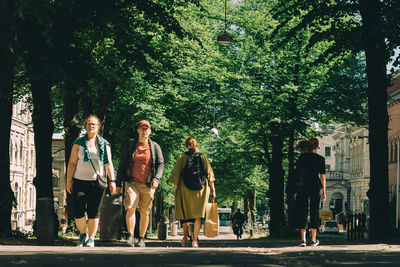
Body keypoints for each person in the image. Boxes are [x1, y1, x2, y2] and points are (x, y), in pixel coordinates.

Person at [66, 114, 116, 247]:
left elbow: (108, 163)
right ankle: (83, 233)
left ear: (98, 127)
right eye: (88, 124)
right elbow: (71, 163)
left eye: (93, 124)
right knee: (78, 209)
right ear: (86, 127)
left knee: (94, 211)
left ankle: (91, 238)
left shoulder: (104, 144)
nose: (91, 126)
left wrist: (112, 181)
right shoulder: (78, 143)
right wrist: (68, 181)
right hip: (79, 181)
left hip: (97, 183)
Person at [116, 120, 164, 247]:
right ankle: (130, 236)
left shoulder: (155, 147)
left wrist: (157, 179)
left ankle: (141, 238)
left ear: (150, 131)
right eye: (142, 128)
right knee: (131, 206)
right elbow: (122, 164)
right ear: (138, 130)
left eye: (146, 129)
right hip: (131, 182)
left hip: (148, 185)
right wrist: (118, 183)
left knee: (145, 212)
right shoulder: (130, 145)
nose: (144, 131)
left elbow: (160, 165)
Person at [170, 137, 216, 248]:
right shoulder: (203, 158)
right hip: (201, 191)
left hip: (184, 190)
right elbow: (210, 176)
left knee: (185, 215)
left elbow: (176, 177)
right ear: (197, 145)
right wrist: (213, 191)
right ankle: (195, 240)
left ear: (186, 145)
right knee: (198, 216)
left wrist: (176, 192)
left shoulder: (181, 158)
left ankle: (185, 238)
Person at [294, 138, 326, 247]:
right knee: (314, 211)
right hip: (315, 186)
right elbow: (322, 177)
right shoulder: (320, 159)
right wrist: (324, 192)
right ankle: (313, 240)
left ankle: (303, 240)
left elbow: (297, 172)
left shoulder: (302, 158)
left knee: (302, 211)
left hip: (303, 186)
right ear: (317, 147)